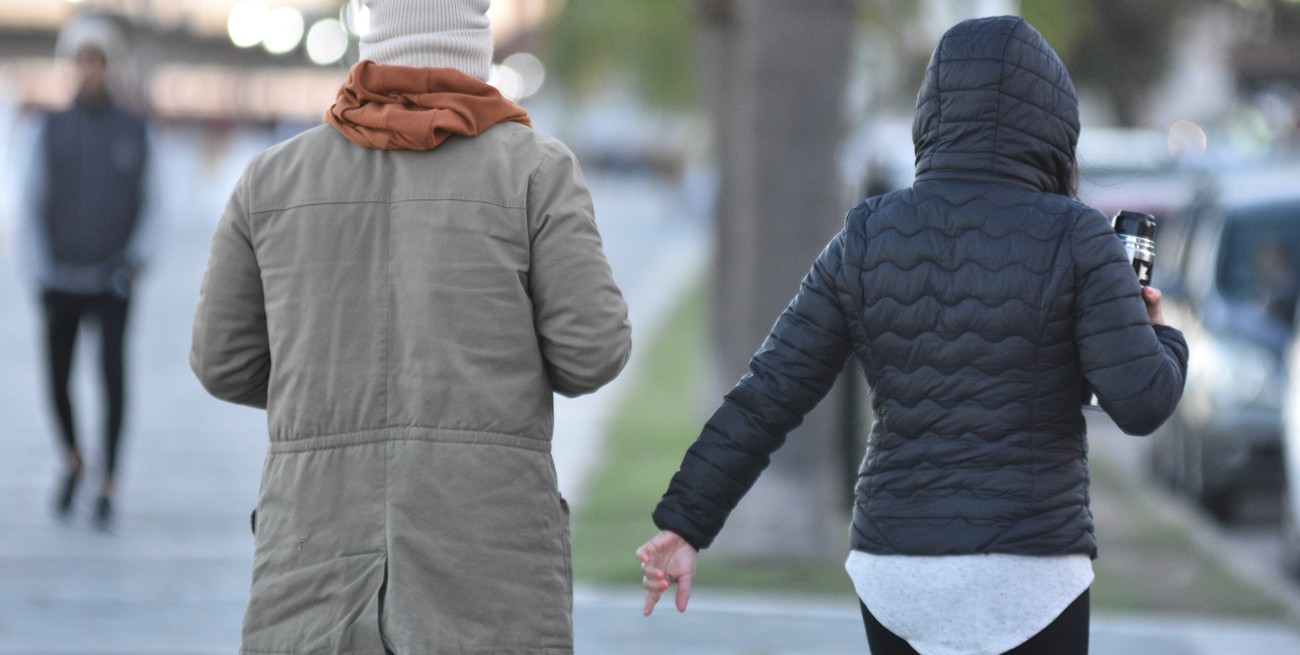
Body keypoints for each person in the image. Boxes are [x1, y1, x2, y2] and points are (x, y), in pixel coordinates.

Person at [637, 16, 1188, 655]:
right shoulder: (1077, 237)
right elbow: (1142, 403)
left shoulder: (870, 234)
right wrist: (1161, 336)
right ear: (1053, 124)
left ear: (934, 112)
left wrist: (685, 523)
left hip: (899, 572)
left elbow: (771, 392)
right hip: (1032, 569)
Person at [190, 0, 631, 652]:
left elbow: (220, 359)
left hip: (315, 555)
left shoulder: (271, 178)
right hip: (485, 560)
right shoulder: (534, 170)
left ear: (375, 42)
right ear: (475, 50)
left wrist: (325, 386)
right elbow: (592, 351)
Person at [18, 14, 157, 530]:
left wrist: (138, 259)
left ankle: (108, 479)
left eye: (98, 60)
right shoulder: (48, 128)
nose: (90, 69)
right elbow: (31, 200)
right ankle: (73, 457)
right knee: (57, 378)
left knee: (112, 377)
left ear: (109, 66)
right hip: (59, 277)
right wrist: (36, 267)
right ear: (73, 65)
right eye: (83, 60)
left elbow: (151, 200)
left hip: (112, 278)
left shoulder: (136, 130)